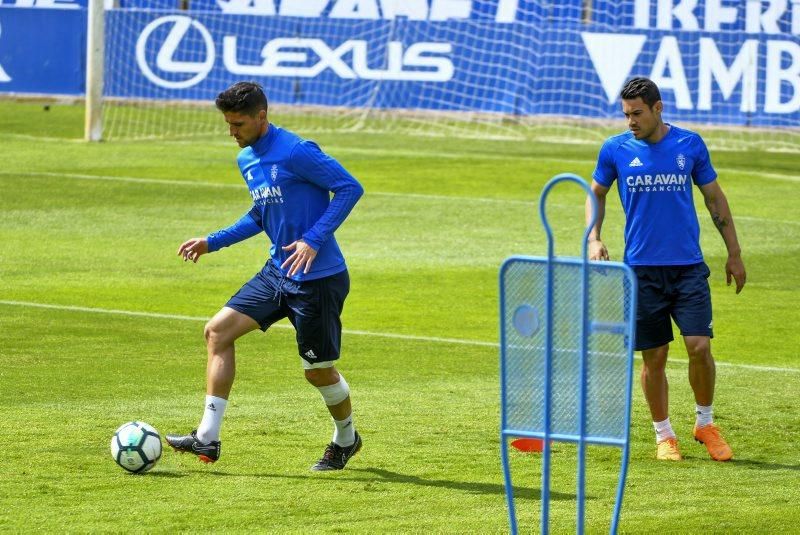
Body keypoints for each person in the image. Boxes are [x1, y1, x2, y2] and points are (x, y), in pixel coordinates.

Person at [166, 81, 364, 471]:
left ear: (262, 117)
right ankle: (208, 437)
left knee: (318, 373)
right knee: (217, 332)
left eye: (238, 124)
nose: (231, 132)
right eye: (227, 124)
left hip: (317, 280)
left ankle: (346, 437)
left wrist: (312, 239)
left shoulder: (296, 151)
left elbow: (348, 188)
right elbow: (262, 213)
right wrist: (213, 241)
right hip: (277, 273)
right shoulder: (247, 159)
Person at [586, 77, 746, 462]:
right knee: (653, 357)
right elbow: (596, 194)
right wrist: (594, 237)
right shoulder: (615, 149)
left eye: (637, 113)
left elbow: (714, 199)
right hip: (641, 271)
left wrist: (734, 253)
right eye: (626, 114)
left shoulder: (690, 144)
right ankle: (664, 435)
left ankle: (705, 423)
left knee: (699, 347)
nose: (630, 122)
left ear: (658, 108)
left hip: (688, 267)